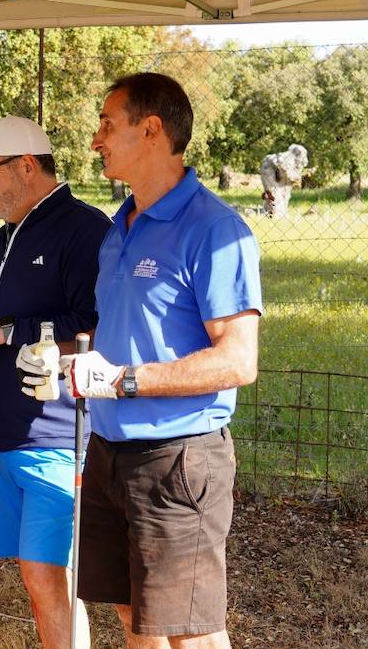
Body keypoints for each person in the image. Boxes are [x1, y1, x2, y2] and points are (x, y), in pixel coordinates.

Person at [64, 73, 260, 649]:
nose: (95, 139)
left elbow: (238, 360)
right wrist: (72, 362)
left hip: (177, 457)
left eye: (107, 124)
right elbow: (123, 330)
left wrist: (124, 381)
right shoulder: (118, 227)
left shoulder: (214, 228)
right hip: (108, 450)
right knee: (132, 618)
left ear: (151, 130)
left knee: (190, 635)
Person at [0, 116, 109, 649]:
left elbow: (94, 324)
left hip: (56, 437)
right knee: (26, 577)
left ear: (27, 166)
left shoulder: (85, 230)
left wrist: (9, 332)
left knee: (48, 575)